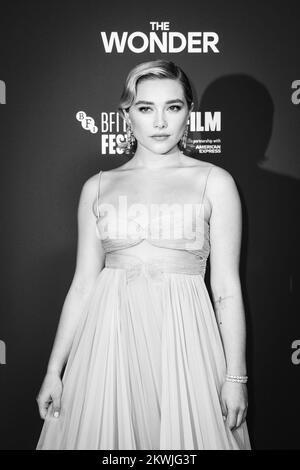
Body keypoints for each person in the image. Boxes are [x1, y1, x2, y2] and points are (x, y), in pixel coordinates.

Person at [36, 59, 251, 450]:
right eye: (145, 108)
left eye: (173, 107)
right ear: (127, 113)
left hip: (186, 343)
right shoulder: (98, 187)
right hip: (109, 343)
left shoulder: (215, 183)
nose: (160, 122)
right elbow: (83, 285)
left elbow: (226, 289)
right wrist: (55, 370)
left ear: (189, 112)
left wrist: (235, 377)